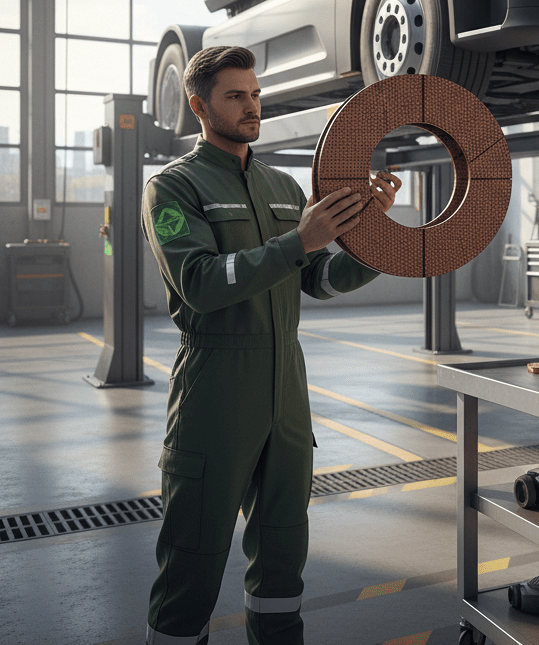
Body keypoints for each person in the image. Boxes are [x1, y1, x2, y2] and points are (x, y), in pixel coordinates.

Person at [142, 45, 400, 645]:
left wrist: (374, 239)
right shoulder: (173, 189)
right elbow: (201, 284)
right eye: (236, 96)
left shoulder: (283, 186)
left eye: (255, 94)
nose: (251, 106)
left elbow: (318, 279)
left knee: (284, 557)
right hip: (216, 397)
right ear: (198, 105)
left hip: (287, 396)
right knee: (192, 564)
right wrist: (298, 241)